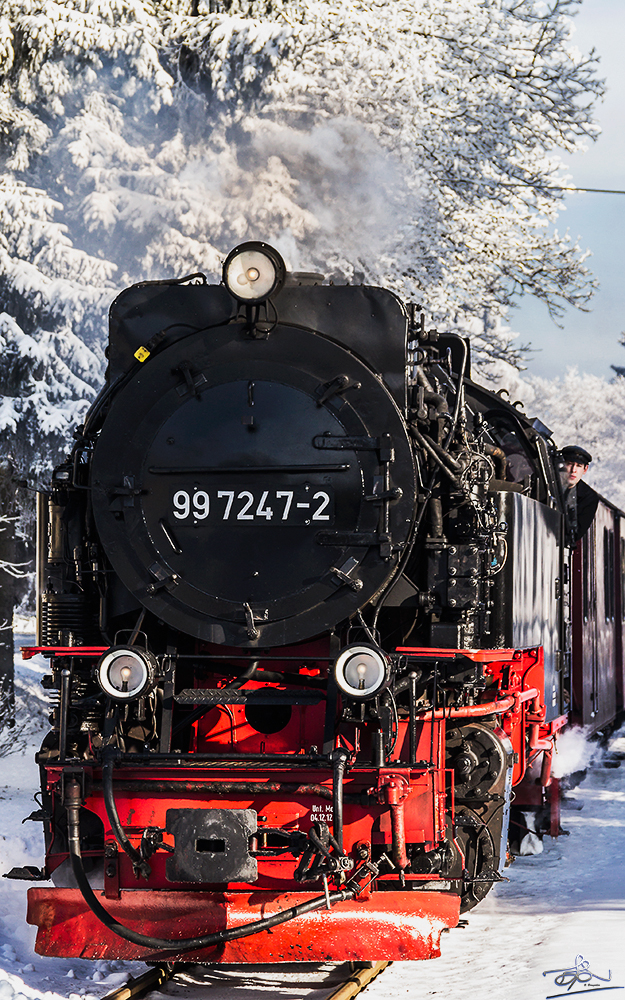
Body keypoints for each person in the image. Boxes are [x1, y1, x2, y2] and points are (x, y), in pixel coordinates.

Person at [560, 445, 599, 544]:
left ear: (585, 470)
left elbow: (576, 534)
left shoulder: (589, 498)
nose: (574, 470)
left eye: (579, 466)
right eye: (570, 464)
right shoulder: (544, 484)